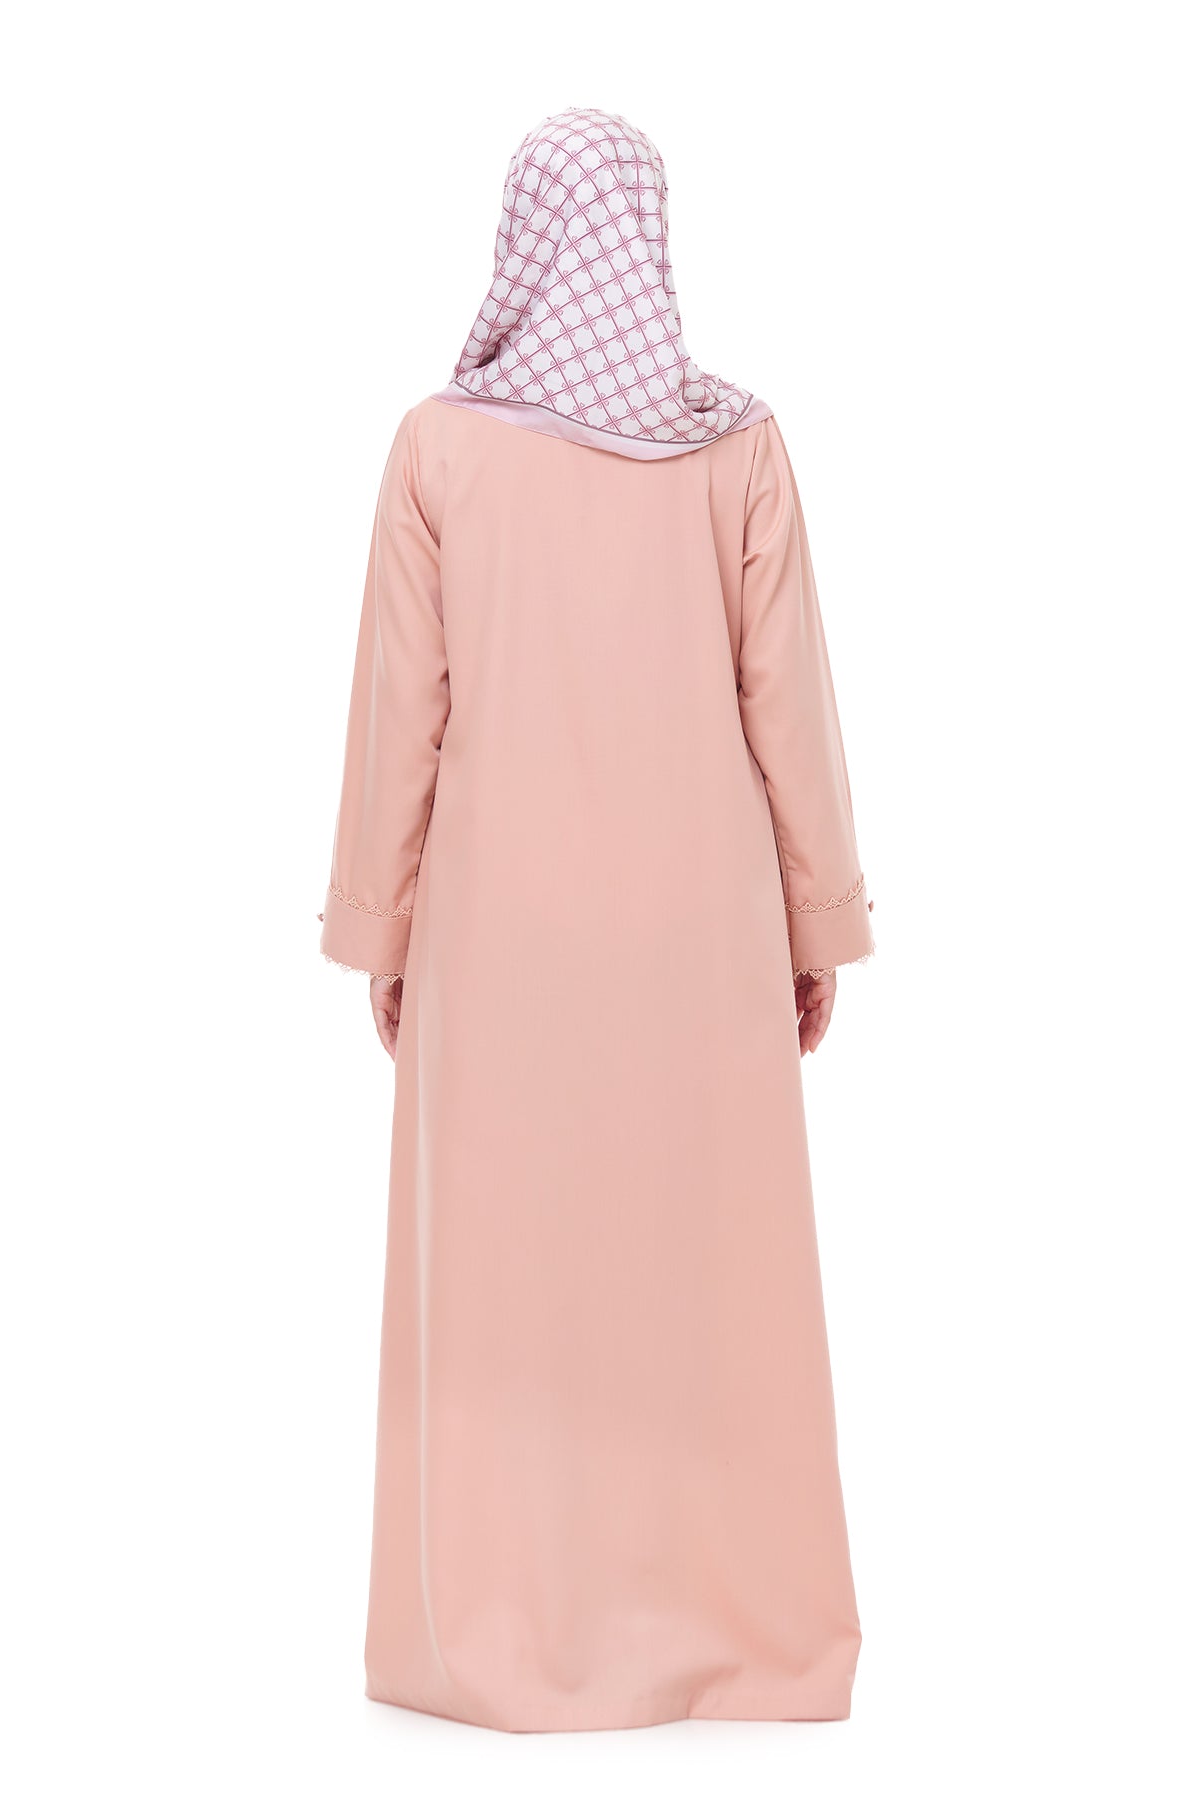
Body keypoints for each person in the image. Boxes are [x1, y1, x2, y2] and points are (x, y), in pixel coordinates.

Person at [319, 106, 874, 1733]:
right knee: (705, 1277)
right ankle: (733, 1634)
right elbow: (790, 711)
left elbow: (401, 718)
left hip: (501, 942)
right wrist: (816, 924)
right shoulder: (739, 448)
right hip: (701, 944)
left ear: (523, 238)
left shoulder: (441, 448)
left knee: (510, 1285)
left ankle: (496, 1638)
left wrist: (382, 934)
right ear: (652, 237)